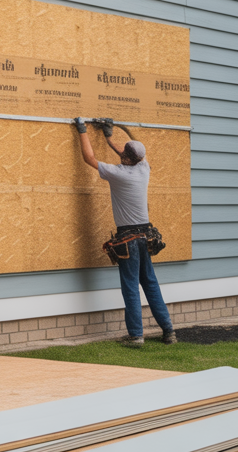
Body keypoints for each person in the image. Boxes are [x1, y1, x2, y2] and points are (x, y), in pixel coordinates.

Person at [74, 117, 176, 347]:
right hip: (145, 237)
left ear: (125, 158)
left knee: (130, 285)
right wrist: (110, 135)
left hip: (128, 239)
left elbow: (88, 158)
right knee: (150, 282)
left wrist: (82, 129)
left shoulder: (118, 173)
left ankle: (136, 336)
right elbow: (128, 149)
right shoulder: (144, 168)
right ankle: (169, 331)